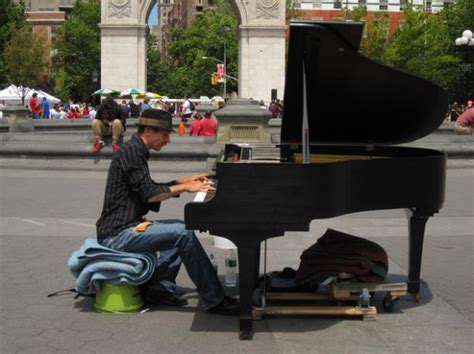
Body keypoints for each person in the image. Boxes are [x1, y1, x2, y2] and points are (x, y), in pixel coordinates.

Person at [96, 108, 239, 314]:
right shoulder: (132, 152)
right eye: (164, 135)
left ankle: (159, 289)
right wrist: (185, 187)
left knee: (178, 229)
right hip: (117, 234)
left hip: (126, 227)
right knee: (182, 233)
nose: (167, 140)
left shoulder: (136, 150)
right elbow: (150, 194)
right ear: (148, 131)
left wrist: (183, 181)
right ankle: (215, 300)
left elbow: (147, 187)